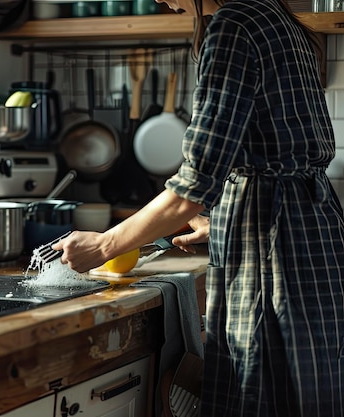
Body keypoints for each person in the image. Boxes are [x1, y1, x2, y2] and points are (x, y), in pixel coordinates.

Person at [53, 0, 344, 416]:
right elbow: (280, 157)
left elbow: (193, 186)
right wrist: (225, 221)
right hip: (310, 237)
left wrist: (104, 245)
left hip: (272, 247)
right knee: (302, 394)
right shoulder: (278, 17)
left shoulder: (234, 24)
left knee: (256, 394)